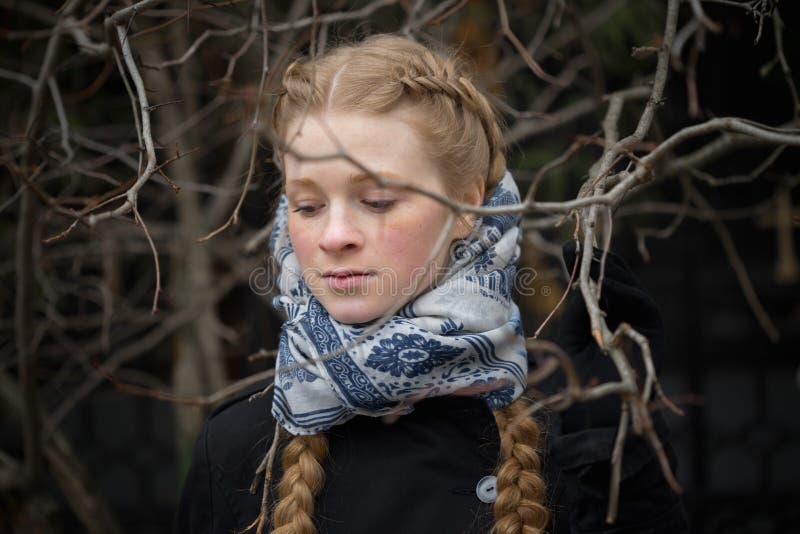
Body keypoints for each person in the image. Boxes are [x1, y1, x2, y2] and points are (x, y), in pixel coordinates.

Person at [175, 34, 688, 534]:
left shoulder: (566, 424)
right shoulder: (239, 450)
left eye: (377, 201)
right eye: (307, 207)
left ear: (464, 205)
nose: (334, 236)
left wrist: (620, 466)